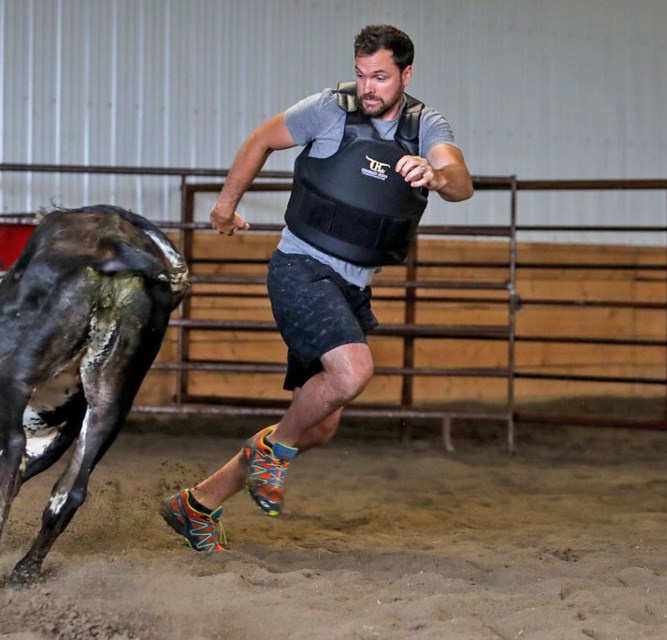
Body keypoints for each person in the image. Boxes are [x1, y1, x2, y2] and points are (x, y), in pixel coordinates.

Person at [162, 24, 473, 552]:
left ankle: (196, 505)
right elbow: (261, 140)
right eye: (361, 74)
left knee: (321, 426)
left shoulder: (425, 125)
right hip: (301, 267)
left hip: (352, 286)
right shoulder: (329, 109)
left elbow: (461, 182)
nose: (368, 86)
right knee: (353, 372)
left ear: (406, 74)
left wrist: (436, 176)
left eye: (380, 76)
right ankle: (272, 453)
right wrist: (223, 206)